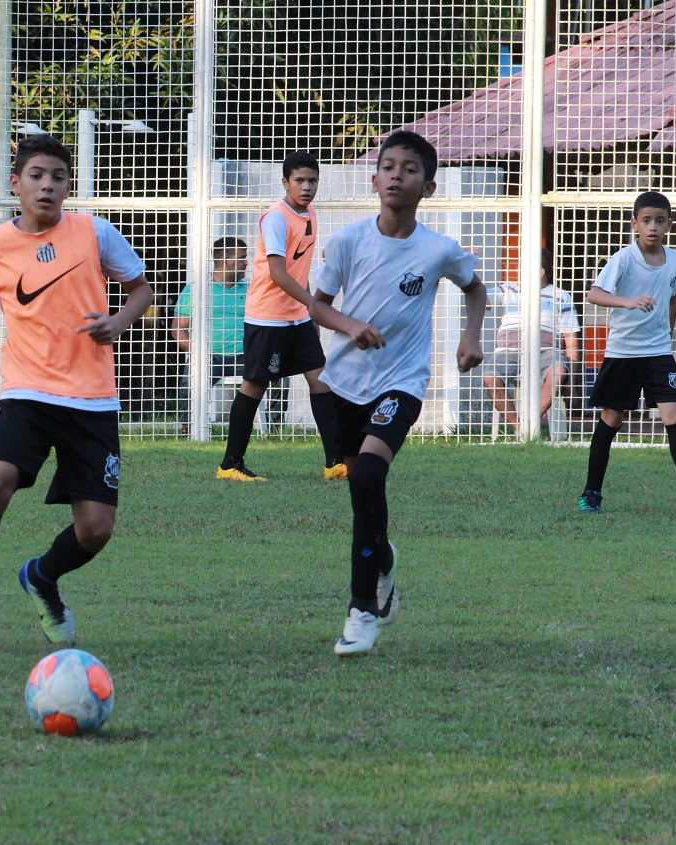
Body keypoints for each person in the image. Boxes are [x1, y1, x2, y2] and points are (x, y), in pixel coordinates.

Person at [0, 134, 154, 657]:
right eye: (37, 175)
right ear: (14, 183)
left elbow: (142, 289)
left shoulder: (94, 232)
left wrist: (119, 320)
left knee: (95, 531)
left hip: (92, 401)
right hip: (26, 392)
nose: (47, 185)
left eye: (58, 177)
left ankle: (42, 576)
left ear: (69, 186)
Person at [309, 131, 487, 657]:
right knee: (361, 490)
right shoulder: (347, 241)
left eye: (409, 169)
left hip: (402, 382)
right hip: (342, 383)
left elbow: (475, 287)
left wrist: (470, 336)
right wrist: (351, 325)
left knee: (367, 474)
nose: (395, 175)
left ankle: (361, 611)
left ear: (427, 187)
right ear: (374, 180)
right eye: (387, 166)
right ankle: (382, 557)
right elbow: (318, 307)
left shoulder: (438, 249)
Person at [578, 191, 676, 517]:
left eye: (659, 221)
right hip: (624, 354)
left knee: (675, 416)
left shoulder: (675, 260)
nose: (652, 227)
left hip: (659, 353)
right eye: (646, 220)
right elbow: (594, 294)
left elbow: (673, 297)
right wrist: (628, 301)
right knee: (612, 418)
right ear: (635, 223)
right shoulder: (623, 259)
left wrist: (668, 334)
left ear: (669, 225)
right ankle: (591, 493)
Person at [216, 151, 345, 482]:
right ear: (285, 182)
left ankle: (335, 463)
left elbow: (299, 273)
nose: (306, 187)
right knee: (254, 386)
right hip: (268, 317)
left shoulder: (310, 214)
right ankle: (230, 465)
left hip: (297, 316)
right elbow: (278, 273)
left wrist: (309, 314)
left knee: (320, 380)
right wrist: (314, 304)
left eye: (312, 180)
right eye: (299, 181)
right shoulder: (275, 218)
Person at [483, 258, 581, 436]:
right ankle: (521, 429)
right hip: (508, 352)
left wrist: (572, 377)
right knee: (490, 377)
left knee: (558, 372)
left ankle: (531, 425)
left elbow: (570, 338)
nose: (519, 273)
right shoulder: (508, 289)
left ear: (541, 272)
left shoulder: (561, 295)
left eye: (523, 269)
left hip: (547, 351)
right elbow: (481, 298)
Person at [169, 236, 249, 431]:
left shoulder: (251, 290)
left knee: (277, 374)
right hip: (210, 358)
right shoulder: (196, 290)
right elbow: (178, 329)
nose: (247, 263)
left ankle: (275, 428)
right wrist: (198, 352)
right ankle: (189, 427)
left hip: (246, 357)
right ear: (226, 261)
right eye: (242, 258)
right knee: (189, 381)